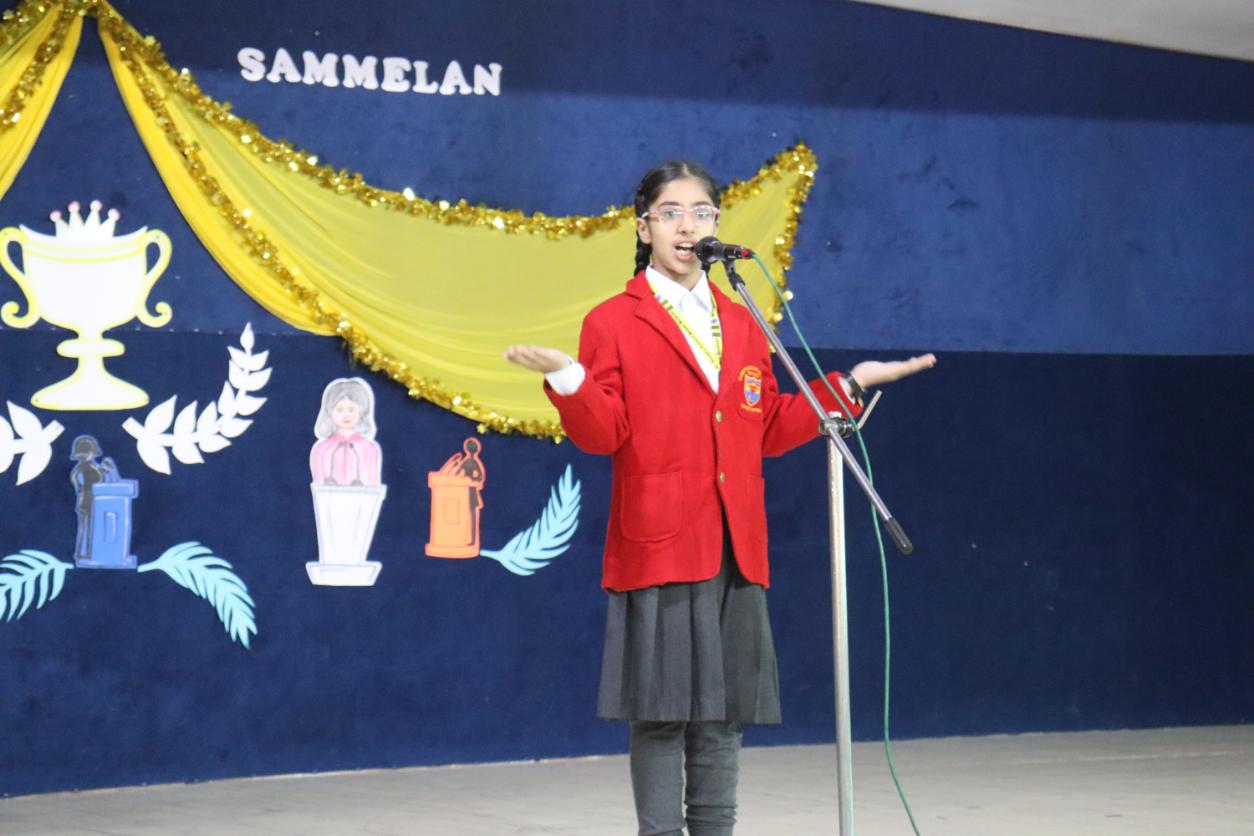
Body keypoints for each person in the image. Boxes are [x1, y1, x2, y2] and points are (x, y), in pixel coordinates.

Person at [505, 159, 935, 836]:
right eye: (671, 213)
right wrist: (570, 379)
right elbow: (602, 433)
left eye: (701, 212)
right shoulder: (613, 321)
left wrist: (849, 384)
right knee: (662, 714)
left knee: (723, 717)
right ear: (643, 227)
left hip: (736, 544)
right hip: (660, 543)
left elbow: (767, 427)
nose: (688, 226)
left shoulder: (742, 320)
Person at [310, 377, 383, 486]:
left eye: (351, 409)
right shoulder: (321, 450)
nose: (346, 415)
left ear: (362, 411)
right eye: (339, 410)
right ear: (330, 412)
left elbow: (372, 484)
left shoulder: (369, 449)